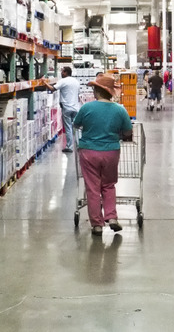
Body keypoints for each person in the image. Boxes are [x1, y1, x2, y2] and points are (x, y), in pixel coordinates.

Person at [74, 75, 133, 236]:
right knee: (108, 185)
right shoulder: (120, 109)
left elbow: (76, 124)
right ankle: (112, 217)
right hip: (111, 152)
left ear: (97, 91)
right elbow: (128, 131)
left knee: (93, 188)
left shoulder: (86, 108)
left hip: (88, 151)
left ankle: (97, 225)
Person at [44, 66, 80, 153]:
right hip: (76, 107)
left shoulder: (63, 81)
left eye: (62, 72)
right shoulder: (76, 81)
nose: (61, 73)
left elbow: (52, 89)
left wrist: (44, 82)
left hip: (67, 108)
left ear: (66, 72)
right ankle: (79, 145)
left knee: (68, 128)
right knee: (76, 128)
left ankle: (69, 147)